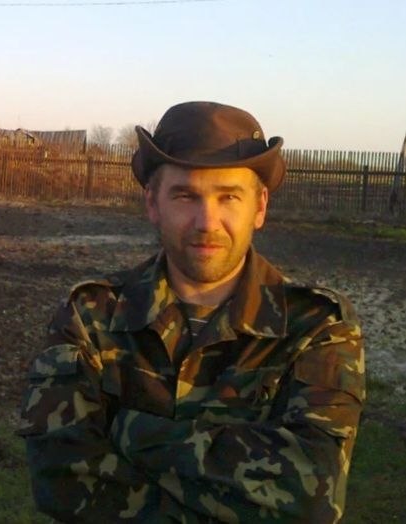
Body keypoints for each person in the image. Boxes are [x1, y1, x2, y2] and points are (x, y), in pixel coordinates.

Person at [19, 102, 365, 523]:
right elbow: (60, 478)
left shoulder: (316, 326)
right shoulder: (91, 316)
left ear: (259, 207)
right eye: (185, 196)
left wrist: (127, 430)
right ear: (152, 203)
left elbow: (311, 494)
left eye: (228, 197)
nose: (207, 221)